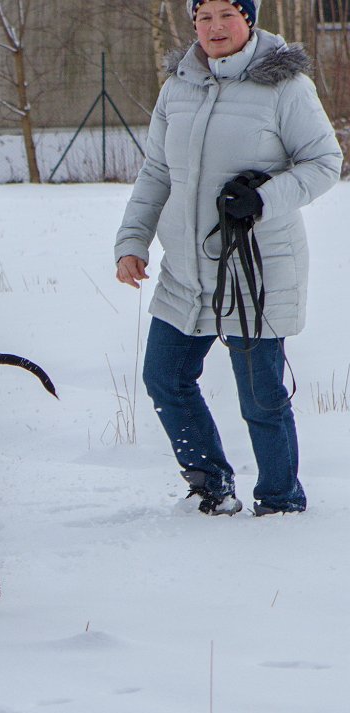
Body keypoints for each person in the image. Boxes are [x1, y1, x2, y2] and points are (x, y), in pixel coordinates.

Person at [115, 0, 342, 516]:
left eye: (227, 14)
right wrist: (132, 242)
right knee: (165, 378)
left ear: (250, 19)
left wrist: (263, 197)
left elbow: (325, 162)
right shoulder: (178, 87)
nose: (215, 27)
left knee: (261, 400)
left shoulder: (285, 86)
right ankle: (211, 486)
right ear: (193, 23)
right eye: (204, 16)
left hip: (257, 268)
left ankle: (281, 502)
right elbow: (156, 172)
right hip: (185, 268)